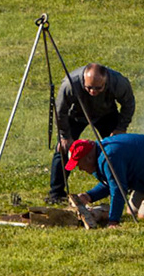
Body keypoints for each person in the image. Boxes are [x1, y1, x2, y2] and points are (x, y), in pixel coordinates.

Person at [47, 62, 135, 205]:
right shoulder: (70, 84)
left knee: (119, 149)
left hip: (106, 113)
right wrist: (65, 136)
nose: (93, 91)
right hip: (75, 115)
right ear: (83, 80)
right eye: (88, 88)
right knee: (62, 150)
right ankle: (56, 193)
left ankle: (126, 184)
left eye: (98, 88)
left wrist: (120, 127)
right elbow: (60, 111)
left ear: (105, 81)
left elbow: (129, 103)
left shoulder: (118, 83)